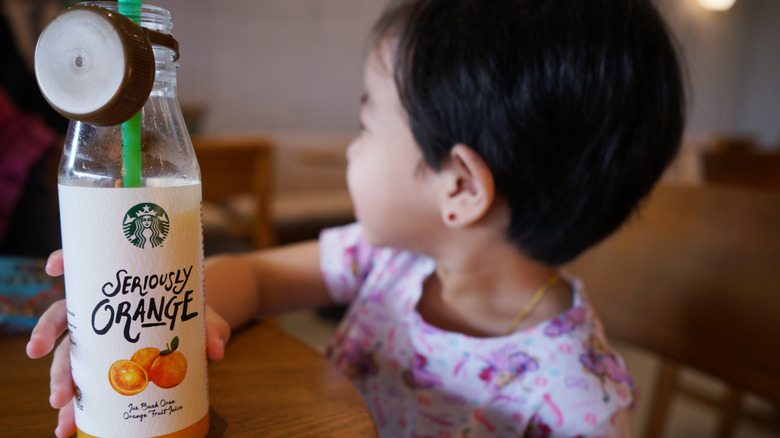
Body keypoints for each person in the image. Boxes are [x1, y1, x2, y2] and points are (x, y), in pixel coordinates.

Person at [27, 0, 685, 436]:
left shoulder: (577, 405)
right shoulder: (394, 260)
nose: (351, 146)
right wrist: (159, 320)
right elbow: (252, 274)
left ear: (458, 186)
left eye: (367, 123)